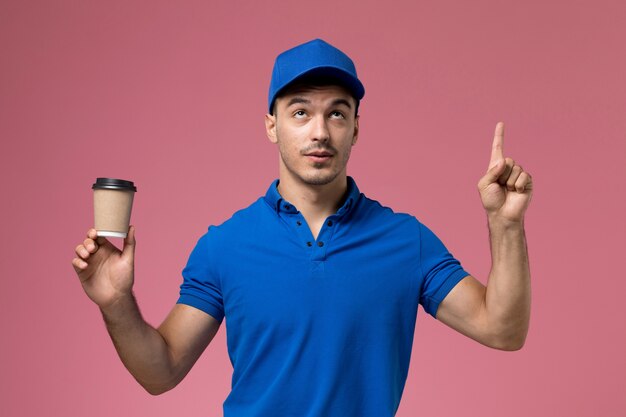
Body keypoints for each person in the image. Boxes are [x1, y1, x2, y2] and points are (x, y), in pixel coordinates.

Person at [72, 38, 532, 417]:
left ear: (355, 128)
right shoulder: (224, 246)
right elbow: (161, 372)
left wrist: (505, 224)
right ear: (272, 125)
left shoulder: (405, 241)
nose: (319, 132)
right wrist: (116, 303)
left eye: (336, 113)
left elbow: (502, 329)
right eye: (300, 112)